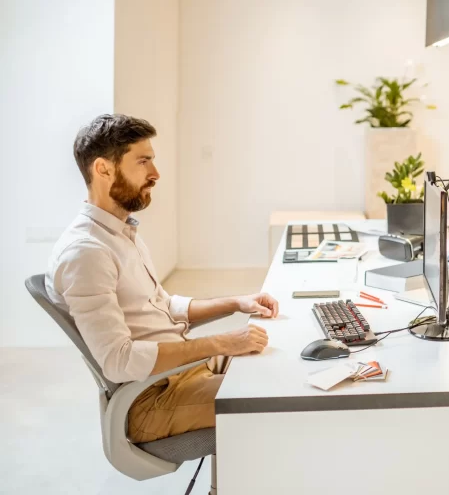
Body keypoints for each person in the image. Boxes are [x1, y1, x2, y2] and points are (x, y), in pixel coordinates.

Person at [46, 114, 278, 444]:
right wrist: (221, 342)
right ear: (103, 169)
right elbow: (119, 360)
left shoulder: (120, 232)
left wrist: (238, 302)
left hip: (183, 374)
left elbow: (164, 306)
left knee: (285, 369)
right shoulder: (87, 253)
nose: (155, 174)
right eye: (143, 162)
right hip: (154, 400)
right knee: (281, 403)